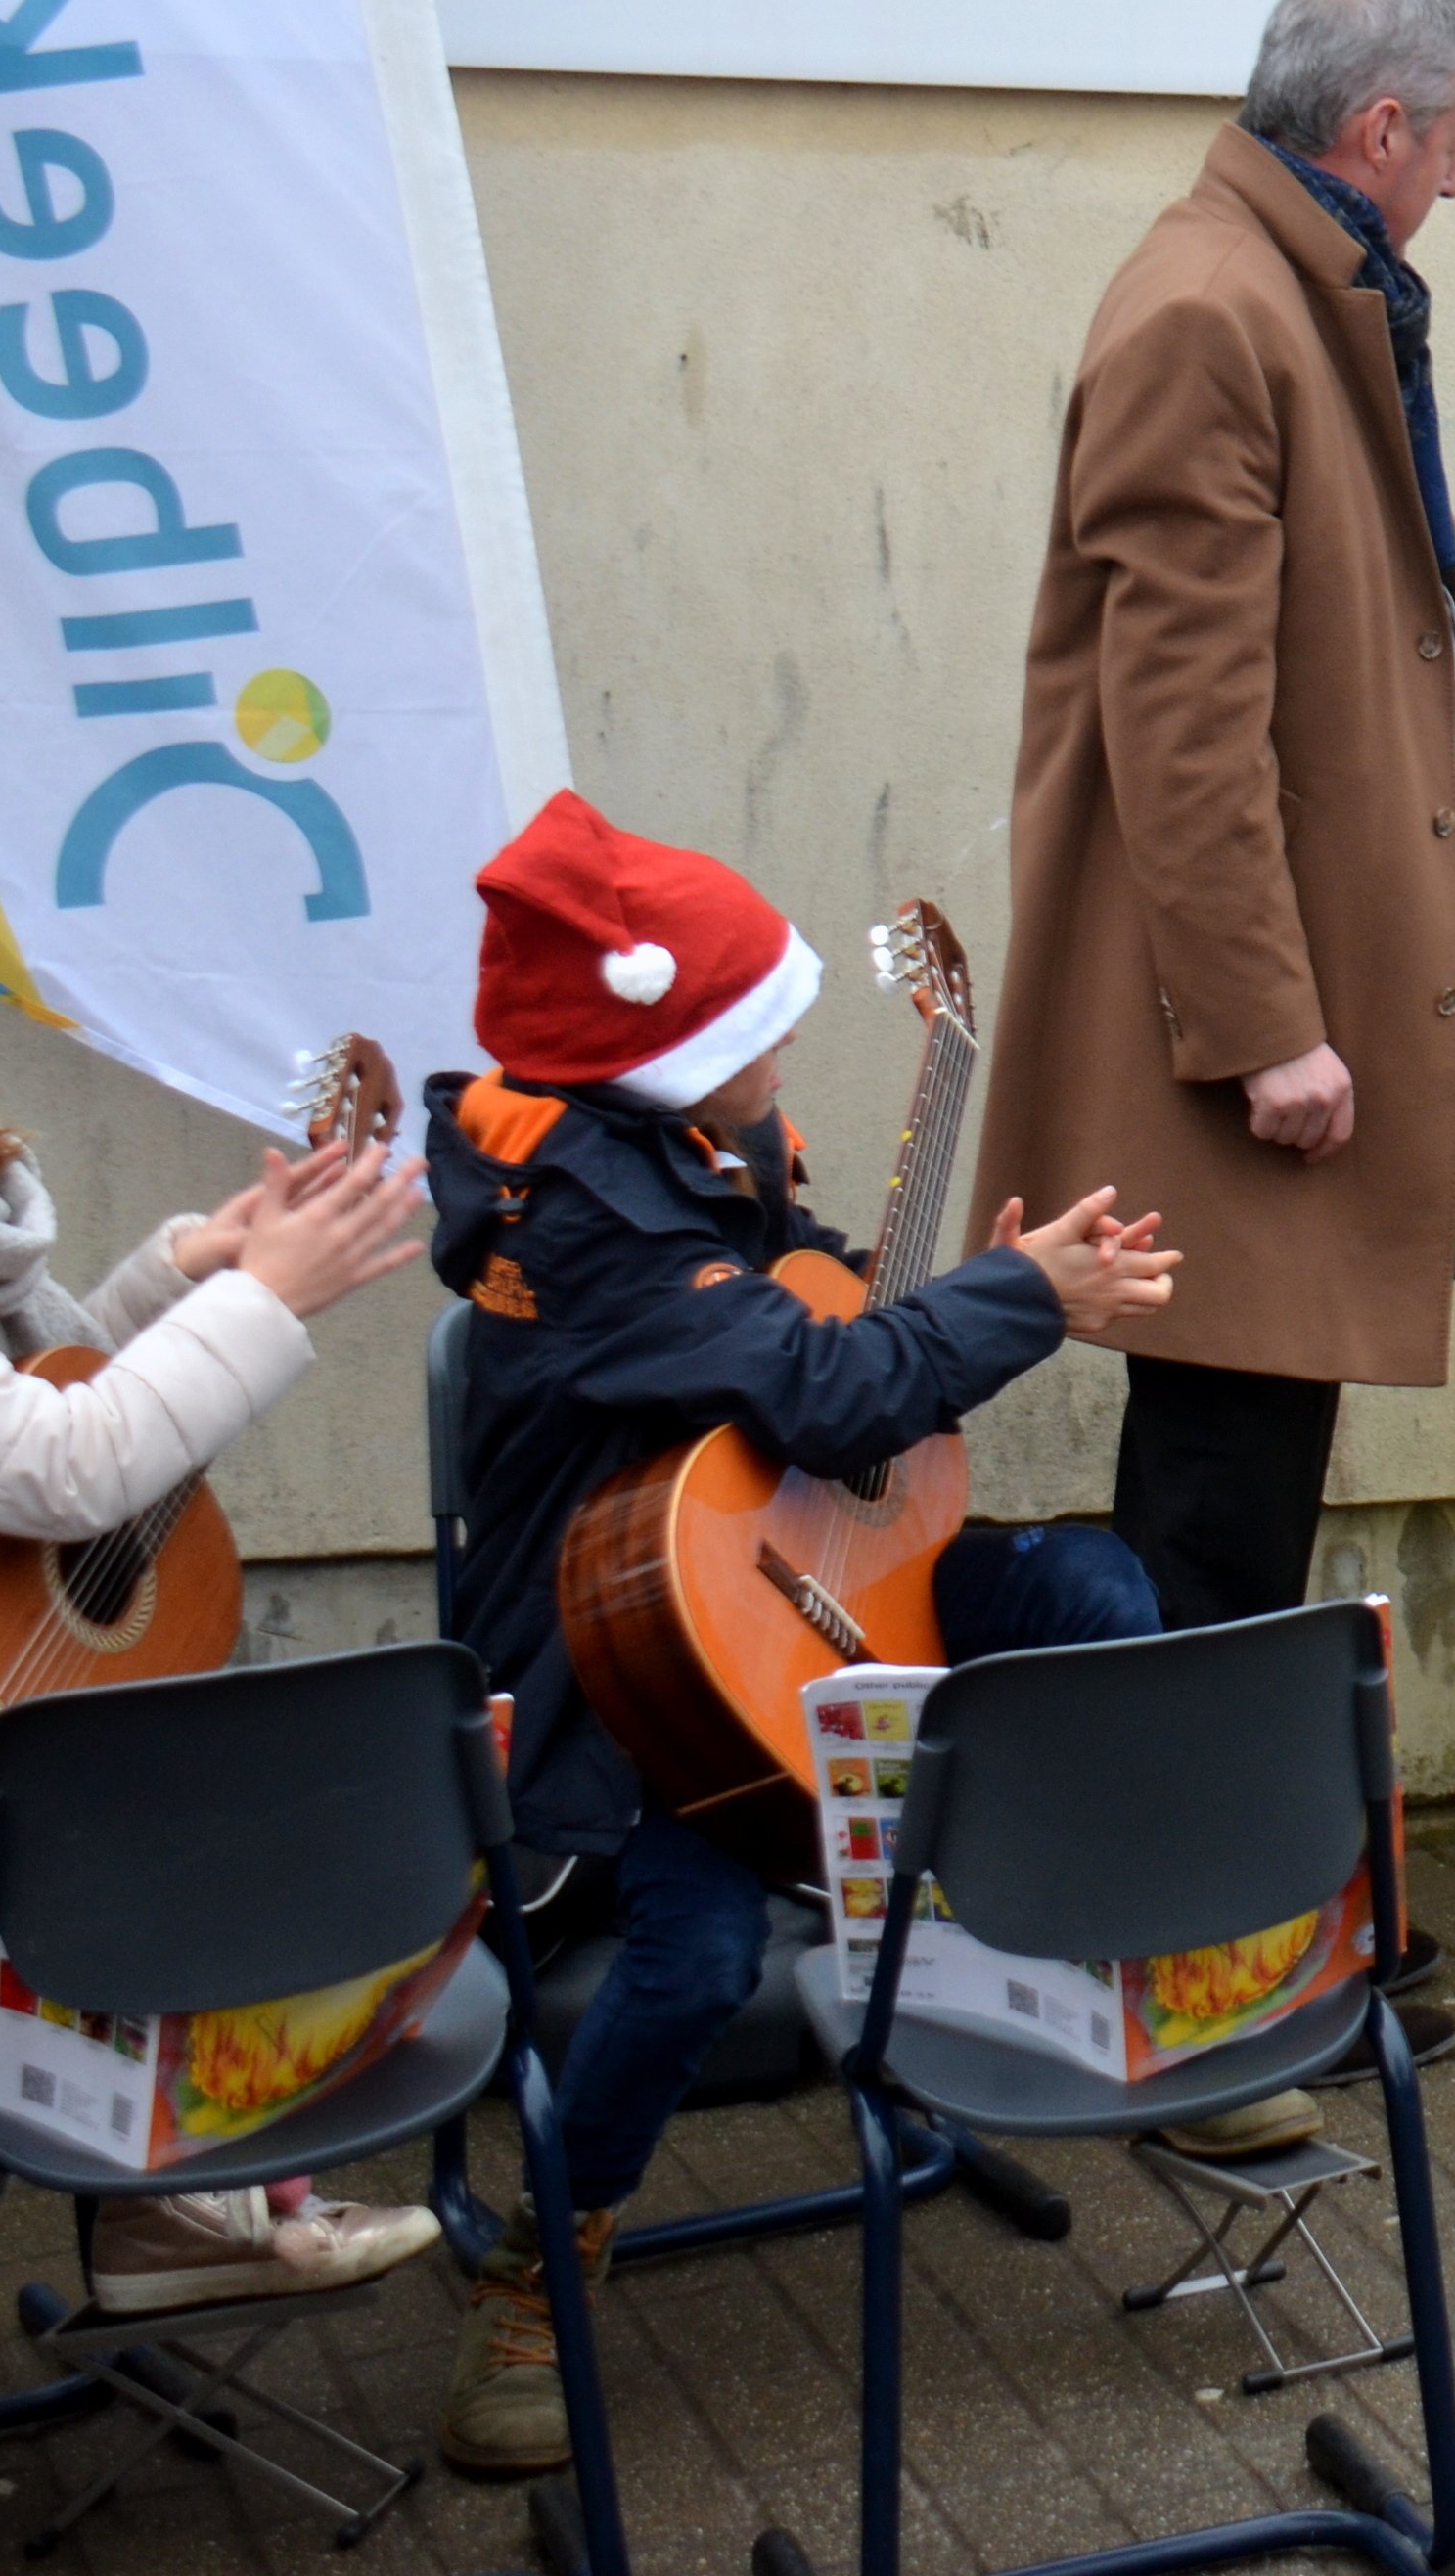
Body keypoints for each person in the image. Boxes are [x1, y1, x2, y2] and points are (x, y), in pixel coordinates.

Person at [422, 792, 1183, 2477]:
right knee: (690, 1960)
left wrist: (951, 1300)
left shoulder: (692, 1152)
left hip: (802, 1595)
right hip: (637, 1681)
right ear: (676, 1050)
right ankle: (546, 2265)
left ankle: (1117, 1967)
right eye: (760, 1028)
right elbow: (823, 1380)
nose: (784, 1059)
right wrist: (1017, 1307)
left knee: (1093, 1597)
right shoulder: (582, 1225)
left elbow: (824, 1309)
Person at [980, 0, 1455, 1648]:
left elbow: (1368, 659)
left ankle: (1210, 1874)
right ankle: (1180, 1881)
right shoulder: (1218, 312)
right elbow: (1179, 715)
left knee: (1240, 1462)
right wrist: (1266, 1026)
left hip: (1281, 983)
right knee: (1215, 1486)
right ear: (1385, 128)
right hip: (1245, 1014)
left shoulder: (1284, 291)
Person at [0, 841, 439, 2520]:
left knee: (217, 1821)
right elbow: (54, 1468)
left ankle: (168, 2209)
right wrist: (265, 1301)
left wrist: (189, 1276)